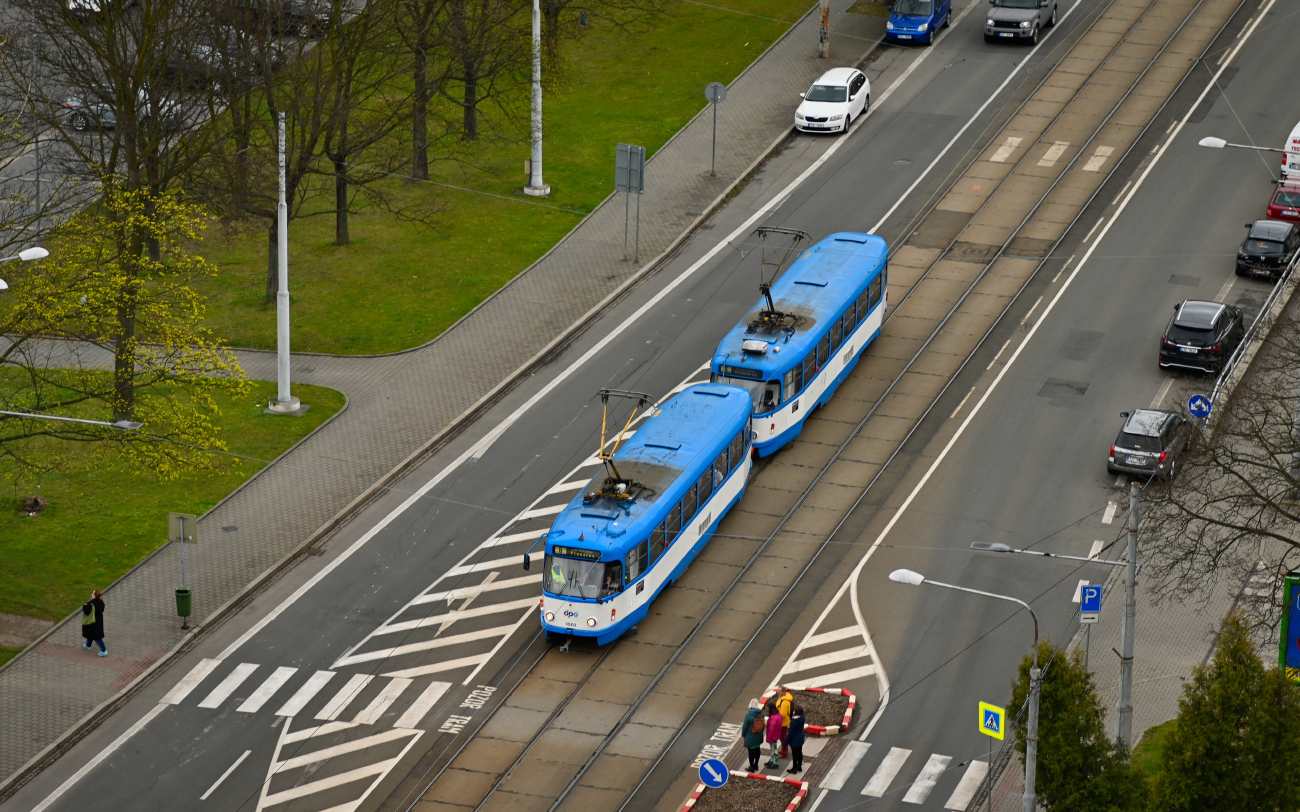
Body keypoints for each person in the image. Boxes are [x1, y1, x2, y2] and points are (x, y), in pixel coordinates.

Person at [742, 699, 764, 772]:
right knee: (757, 749)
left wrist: (743, 734)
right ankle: (756, 765)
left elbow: (745, 726)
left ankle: (751, 766)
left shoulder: (748, 715)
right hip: (758, 735)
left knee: (751, 751)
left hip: (750, 735)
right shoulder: (762, 714)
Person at [81, 590, 106, 656]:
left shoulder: (90, 604)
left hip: (92, 622)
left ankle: (104, 650)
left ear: (94, 595)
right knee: (91, 633)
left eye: (92, 593)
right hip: (98, 621)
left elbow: (86, 611)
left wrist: (84, 605)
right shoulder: (101, 602)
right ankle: (88, 645)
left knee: (97, 637)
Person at [786, 704, 806, 775]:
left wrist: (787, 740)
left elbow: (791, 732)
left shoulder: (794, 721)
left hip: (794, 740)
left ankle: (794, 768)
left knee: (795, 755)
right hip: (800, 738)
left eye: (794, 711)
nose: (793, 711)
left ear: (796, 712)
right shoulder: (802, 718)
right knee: (799, 753)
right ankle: (799, 766)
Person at [776, 688, 794, 758]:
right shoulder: (782, 698)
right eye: (778, 691)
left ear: (784, 692)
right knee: (782, 737)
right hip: (782, 722)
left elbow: (782, 714)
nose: (778, 692)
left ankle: (784, 752)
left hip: (783, 723)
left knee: (783, 737)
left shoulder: (784, 702)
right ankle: (783, 749)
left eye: (779, 691)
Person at [764, 700, 783, 769]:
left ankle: (775, 763)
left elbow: (771, 730)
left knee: (774, 749)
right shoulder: (778, 714)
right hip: (777, 734)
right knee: (773, 748)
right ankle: (772, 760)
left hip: (773, 737)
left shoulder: (773, 719)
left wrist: (768, 738)